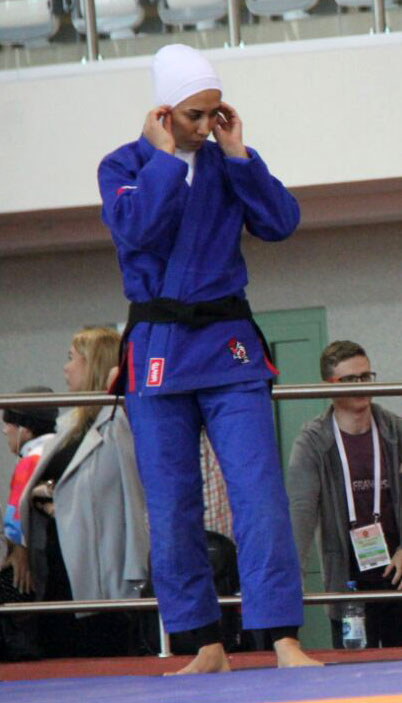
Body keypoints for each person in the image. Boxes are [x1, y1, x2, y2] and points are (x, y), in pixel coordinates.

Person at [98, 44, 320, 673]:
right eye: (192, 115)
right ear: (164, 112)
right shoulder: (123, 165)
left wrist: (241, 155)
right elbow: (138, 230)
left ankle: (281, 637)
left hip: (228, 346)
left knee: (259, 494)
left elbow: (280, 222)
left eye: (211, 113)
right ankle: (204, 643)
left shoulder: (228, 162)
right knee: (172, 506)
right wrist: (164, 159)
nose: (203, 126)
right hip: (159, 349)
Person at [19, 327, 149, 658]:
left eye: (71, 358)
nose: (65, 368)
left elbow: (134, 498)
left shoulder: (119, 424)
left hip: (101, 575)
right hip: (56, 567)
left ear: (93, 364)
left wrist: (137, 570)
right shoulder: (68, 426)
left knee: (99, 659)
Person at [287, 340, 402, 648]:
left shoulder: (395, 431)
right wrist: (292, 579)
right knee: (354, 667)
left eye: (366, 376)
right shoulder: (312, 443)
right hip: (347, 581)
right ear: (329, 386)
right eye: (350, 379)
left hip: (397, 572)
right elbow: (300, 513)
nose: (361, 385)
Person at [0, 389, 58, 661]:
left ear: (24, 429)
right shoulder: (58, 448)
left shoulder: (31, 459)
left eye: (7, 424)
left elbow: (15, 512)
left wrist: (16, 551)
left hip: (40, 558)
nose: (5, 431)